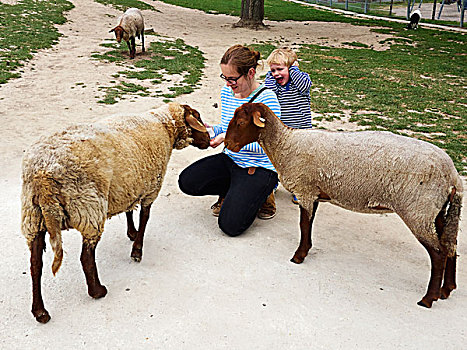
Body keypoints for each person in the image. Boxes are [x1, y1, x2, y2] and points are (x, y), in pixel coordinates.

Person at [178, 44, 281, 237]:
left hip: (259, 167)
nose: (228, 84)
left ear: (250, 73)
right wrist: (209, 130)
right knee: (187, 182)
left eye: (232, 79)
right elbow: (227, 127)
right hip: (231, 159)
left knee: (230, 226)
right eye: (225, 77)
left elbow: (272, 145)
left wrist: (229, 140)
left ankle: (264, 195)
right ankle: (234, 191)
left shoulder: (267, 100)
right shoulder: (227, 93)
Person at [264, 48, 313, 204]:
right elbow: (269, 91)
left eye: (280, 69)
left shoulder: (301, 81)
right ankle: (273, 183)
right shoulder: (274, 84)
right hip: (281, 131)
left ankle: (299, 189)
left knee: (300, 162)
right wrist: (272, 75)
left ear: (291, 69)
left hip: (301, 131)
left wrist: (294, 70)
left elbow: (305, 86)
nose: (276, 74)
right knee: (276, 159)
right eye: (273, 70)